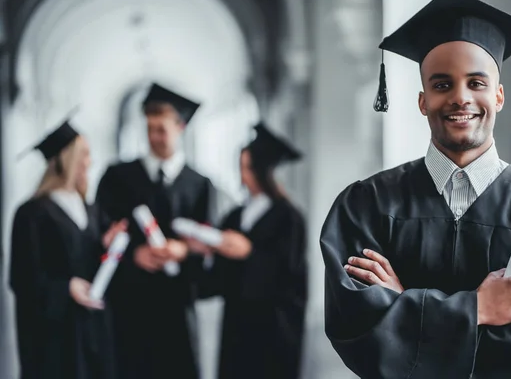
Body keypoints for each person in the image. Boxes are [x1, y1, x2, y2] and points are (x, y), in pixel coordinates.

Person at [320, 0, 511, 379]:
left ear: (498, 96)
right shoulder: (366, 205)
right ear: (423, 100)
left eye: (476, 83)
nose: (460, 98)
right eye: (442, 85)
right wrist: (478, 308)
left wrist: (403, 306)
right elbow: (357, 332)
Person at [95, 84, 216, 379]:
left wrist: (183, 249)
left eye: (161, 129)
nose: (154, 138)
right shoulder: (117, 177)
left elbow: (208, 242)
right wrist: (134, 254)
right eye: (149, 129)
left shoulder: (200, 185)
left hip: (176, 302)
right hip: (130, 301)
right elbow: (100, 230)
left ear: (180, 127)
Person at [187, 123, 307, 379]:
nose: (242, 176)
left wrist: (249, 253)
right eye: (240, 168)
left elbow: (291, 277)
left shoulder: (290, 218)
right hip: (237, 326)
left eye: (247, 168)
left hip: (273, 329)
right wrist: (208, 251)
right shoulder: (235, 216)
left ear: (263, 171)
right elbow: (217, 279)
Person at [10, 119, 126, 379]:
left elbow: (97, 263)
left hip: (94, 331)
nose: (89, 162)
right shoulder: (31, 213)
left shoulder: (93, 211)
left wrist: (107, 244)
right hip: (55, 337)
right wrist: (66, 288)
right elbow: (22, 279)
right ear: (65, 158)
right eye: (83, 154)